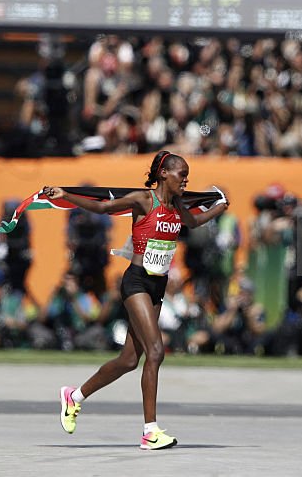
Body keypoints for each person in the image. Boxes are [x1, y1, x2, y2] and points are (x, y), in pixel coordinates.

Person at [50, 150, 229, 450]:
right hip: (136, 282)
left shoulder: (178, 205)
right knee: (155, 351)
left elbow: (194, 222)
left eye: (187, 175)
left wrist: (219, 208)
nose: (186, 180)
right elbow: (104, 207)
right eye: (182, 174)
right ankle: (150, 431)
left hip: (157, 286)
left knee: (130, 360)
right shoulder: (144, 200)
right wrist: (66, 195)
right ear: (164, 174)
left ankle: (74, 396)